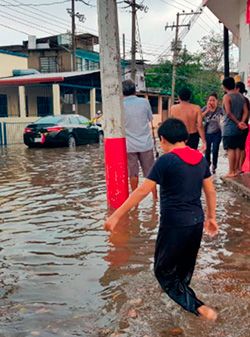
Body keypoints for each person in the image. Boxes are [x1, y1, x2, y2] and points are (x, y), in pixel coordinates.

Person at [104, 118, 218, 321]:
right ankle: (179, 302)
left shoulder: (166, 161)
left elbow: (142, 191)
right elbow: (210, 190)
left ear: (163, 140)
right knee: (183, 271)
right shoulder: (201, 159)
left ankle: (200, 309)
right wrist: (211, 217)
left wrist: (116, 215)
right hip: (196, 222)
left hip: (174, 224)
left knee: (162, 272)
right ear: (184, 137)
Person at [122, 79, 157, 199]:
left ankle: (135, 200)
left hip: (129, 146)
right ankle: (155, 199)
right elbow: (149, 119)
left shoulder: (120, 105)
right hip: (145, 144)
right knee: (150, 173)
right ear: (135, 90)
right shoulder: (144, 102)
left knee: (133, 173)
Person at [222, 77, 248, 177]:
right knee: (238, 148)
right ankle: (237, 169)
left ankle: (231, 171)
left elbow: (228, 112)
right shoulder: (241, 96)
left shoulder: (227, 97)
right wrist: (242, 122)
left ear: (224, 86)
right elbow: (246, 111)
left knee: (230, 149)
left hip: (229, 127)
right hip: (240, 128)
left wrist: (237, 123)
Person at [202, 93, 224, 174]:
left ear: (217, 101)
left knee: (215, 150)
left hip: (217, 133)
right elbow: (199, 117)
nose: (211, 102)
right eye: (210, 100)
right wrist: (207, 110)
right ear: (207, 101)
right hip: (207, 133)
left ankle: (214, 165)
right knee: (207, 150)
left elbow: (224, 119)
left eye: (213, 100)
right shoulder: (205, 108)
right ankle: (207, 163)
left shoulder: (220, 109)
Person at [235, 81, 250, 173]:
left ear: (238, 89)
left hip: (237, 126)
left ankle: (236, 167)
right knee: (242, 147)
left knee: (236, 147)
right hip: (245, 126)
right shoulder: (246, 100)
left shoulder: (237, 100)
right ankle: (240, 167)